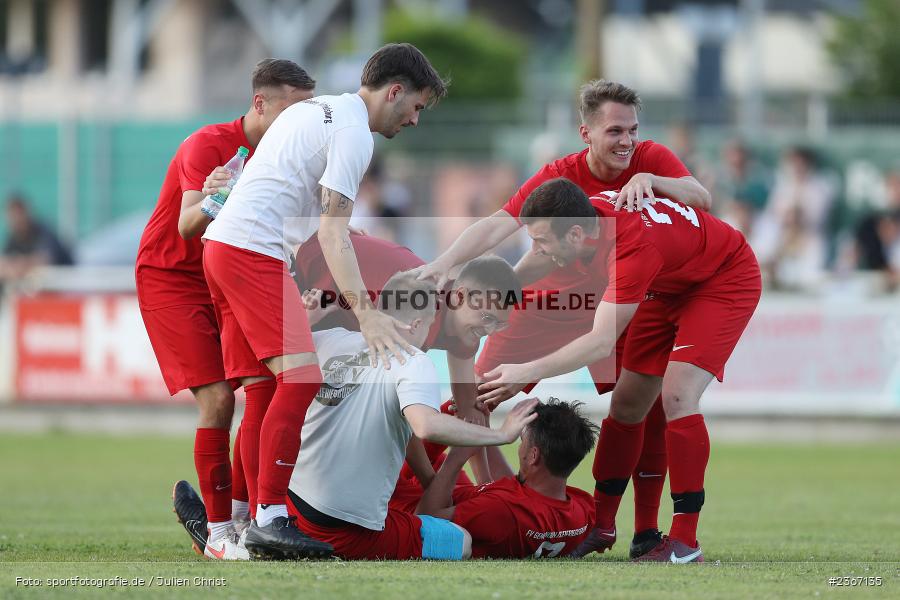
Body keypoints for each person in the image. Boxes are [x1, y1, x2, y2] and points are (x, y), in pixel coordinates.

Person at [416, 79, 711, 557]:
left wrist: (655, 180)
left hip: (622, 304)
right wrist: (442, 266)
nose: (626, 141)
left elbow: (699, 196)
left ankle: (644, 532)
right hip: (545, 307)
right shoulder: (561, 174)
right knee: (476, 394)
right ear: (585, 133)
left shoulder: (649, 159)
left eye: (632, 130)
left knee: (646, 410)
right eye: (615, 130)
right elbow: (498, 224)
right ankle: (495, 501)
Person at [200, 43, 447, 560]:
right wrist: (368, 314)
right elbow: (335, 238)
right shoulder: (355, 134)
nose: (415, 120)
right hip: (251, 252)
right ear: (394, 91)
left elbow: (311, 211)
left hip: (223, 247)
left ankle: (241, 524)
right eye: (417, 107)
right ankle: (271, 517)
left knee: (266, 392)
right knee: (302, 379)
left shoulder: (316, 109)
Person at [478, 177, 760, 563]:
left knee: (677, 395)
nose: (536, 249)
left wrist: (523, 370)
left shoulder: (629, 248)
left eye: (541, 240)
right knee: (627, 404)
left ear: (575, 234)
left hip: (722, 279)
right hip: (666, 285)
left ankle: (684, 541)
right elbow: (543, 258)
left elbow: (599, 343)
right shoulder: (582, 220)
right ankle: (602, 525)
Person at [135, 59, 316, 560]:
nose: (302, 120)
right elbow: (189, 225)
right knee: (218, 400)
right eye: (293, 108)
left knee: (262, 388)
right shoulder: (208, 144)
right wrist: (223, 196)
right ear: (260, 103)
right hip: (175, 278)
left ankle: (241, 522)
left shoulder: (287, 155)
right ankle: (217, 534)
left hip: (233, 276)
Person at [285, 270, 538, 560]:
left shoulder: (329, 340)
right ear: (417, 323)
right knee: (461, 540)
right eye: (430, 325)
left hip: (290, 509)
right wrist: (501, 435)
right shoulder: (414, 360)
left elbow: (280, 363)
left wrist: (307, 321)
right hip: (343, 530)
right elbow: (426, 426)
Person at [415, 398, 597, 559]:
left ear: (533, 456)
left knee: (413, 433)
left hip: (414, 497)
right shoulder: (583, 511)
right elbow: (501, 494)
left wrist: (457, 456)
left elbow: (424, 519)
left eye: (523, 439)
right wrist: (481, 432)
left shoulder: (500, 510)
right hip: (454, 494)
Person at [1, 193, 73, 283]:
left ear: (26, 213)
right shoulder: (13, 237)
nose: (16, 220)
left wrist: (22, 264)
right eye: (12, 216)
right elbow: (4, 261)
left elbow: (45, 259)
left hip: (66, 282)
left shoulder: (43, 230)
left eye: (18, 215)